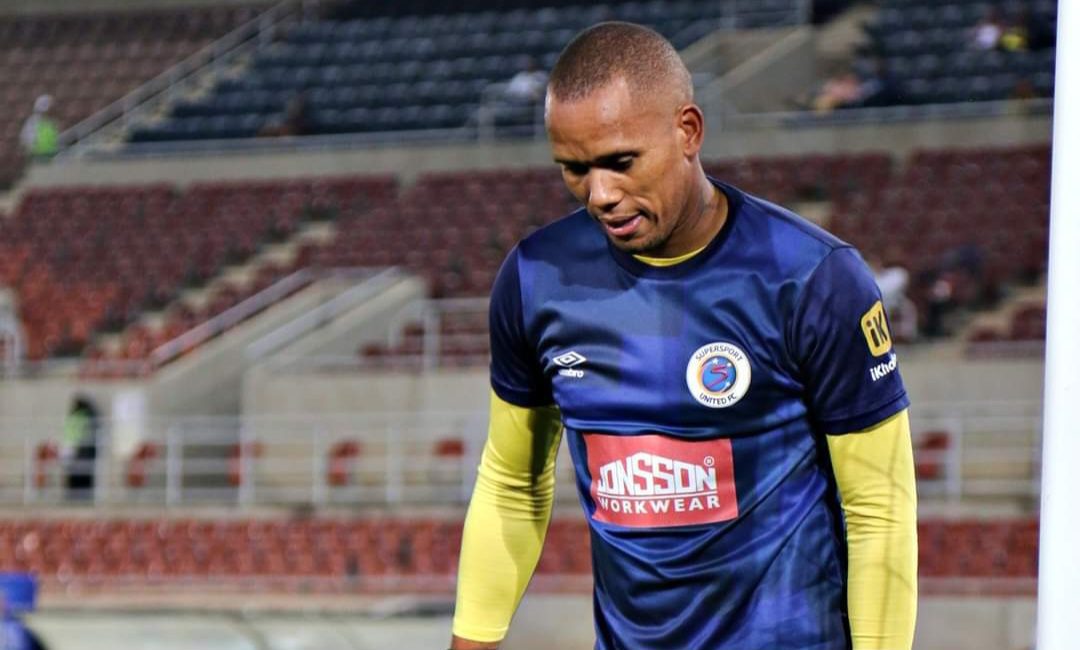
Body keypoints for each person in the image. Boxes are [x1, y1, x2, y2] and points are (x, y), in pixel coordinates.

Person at [451, 22, 917, 650]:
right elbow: (511, 482)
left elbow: (879, 510)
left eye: (621, 162)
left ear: (688, 131)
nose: (601, 195)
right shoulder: (538, 279)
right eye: (574, 170)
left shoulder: (813, 278)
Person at [19, 95, 59, 161]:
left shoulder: (52, 122)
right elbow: (26, 142)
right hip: (38, 158)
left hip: (52, 156)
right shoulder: (32, 122)